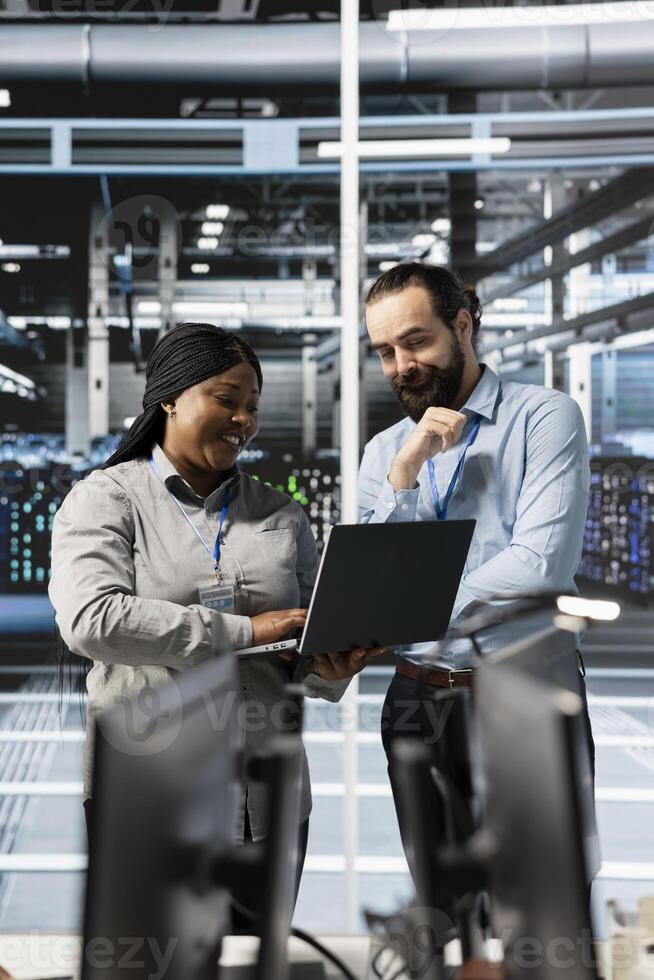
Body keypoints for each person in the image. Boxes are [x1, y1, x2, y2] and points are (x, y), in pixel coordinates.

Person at [49, 321, 383, 923]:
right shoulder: (106, 499)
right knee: (151, 961)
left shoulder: (281, 514)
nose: (243, 420)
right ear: (170, 398)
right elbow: (92, 619)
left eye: (252, 406)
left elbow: (307, 645)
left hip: (270, 800)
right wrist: (248, 632)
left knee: (259, 960)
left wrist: (332, 668)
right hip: (153, 796)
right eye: (226, 399)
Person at [358, 262, 593, 881]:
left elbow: (539, 565)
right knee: (439, 901)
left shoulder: (544, 417)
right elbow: (368, 580)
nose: (402, 365)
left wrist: (409, 607)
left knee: (547, 899)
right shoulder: (384, 454)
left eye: (416, 342)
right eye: (385, 352)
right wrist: (404, 475)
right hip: (416, 700)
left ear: (462, 325)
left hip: (526, 693)